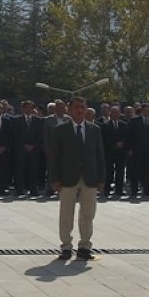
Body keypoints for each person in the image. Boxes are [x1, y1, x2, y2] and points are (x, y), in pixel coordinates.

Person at [47, 96, 107, 260]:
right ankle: (66, 246)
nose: (80, 110)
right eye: (76, 107)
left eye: (82, 107)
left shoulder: (95, 129)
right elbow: (54, 157)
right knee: (66, 213)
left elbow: (99, 155)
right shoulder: (60, 130)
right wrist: (55, 179)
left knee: (88, 213)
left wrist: (102, 178)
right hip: (67, 177)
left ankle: (85, 246)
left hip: (90, 177)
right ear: (69, 109)